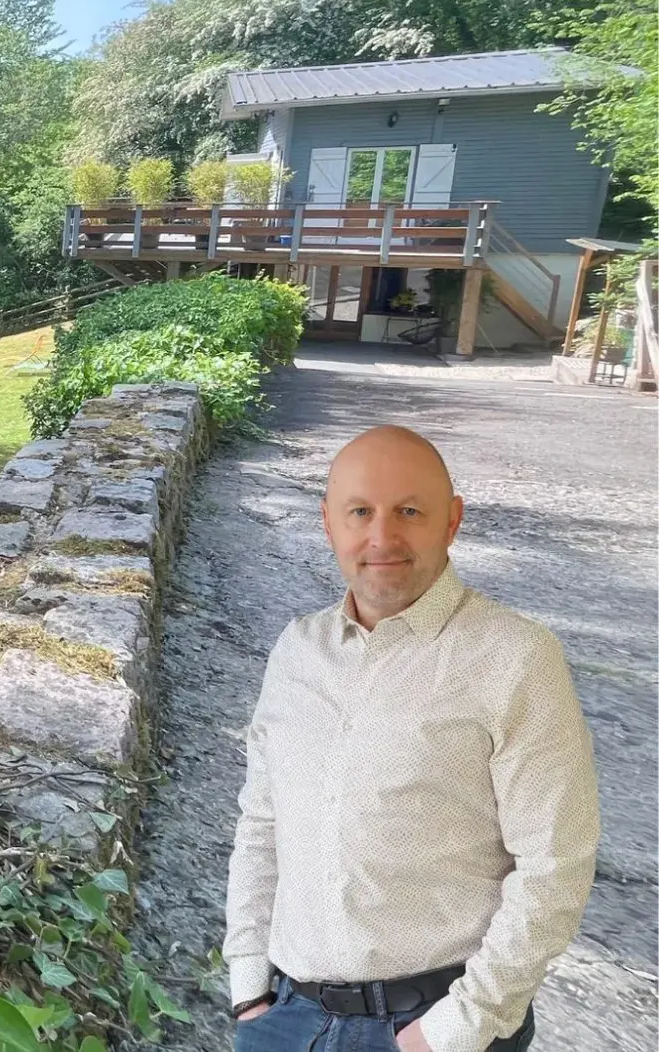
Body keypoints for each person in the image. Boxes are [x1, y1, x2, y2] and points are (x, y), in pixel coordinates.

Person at [223, 424, 599, 1052]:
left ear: (451, 521)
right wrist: (248, 983)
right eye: (360, 512)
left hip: (434, 1026)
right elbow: (263, 822)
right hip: (283, 1019)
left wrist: (453, 1030)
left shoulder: (516, 658)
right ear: (328, 523)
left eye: (409, 511)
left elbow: (557, 863)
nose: (382, 537)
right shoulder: (297, 649)